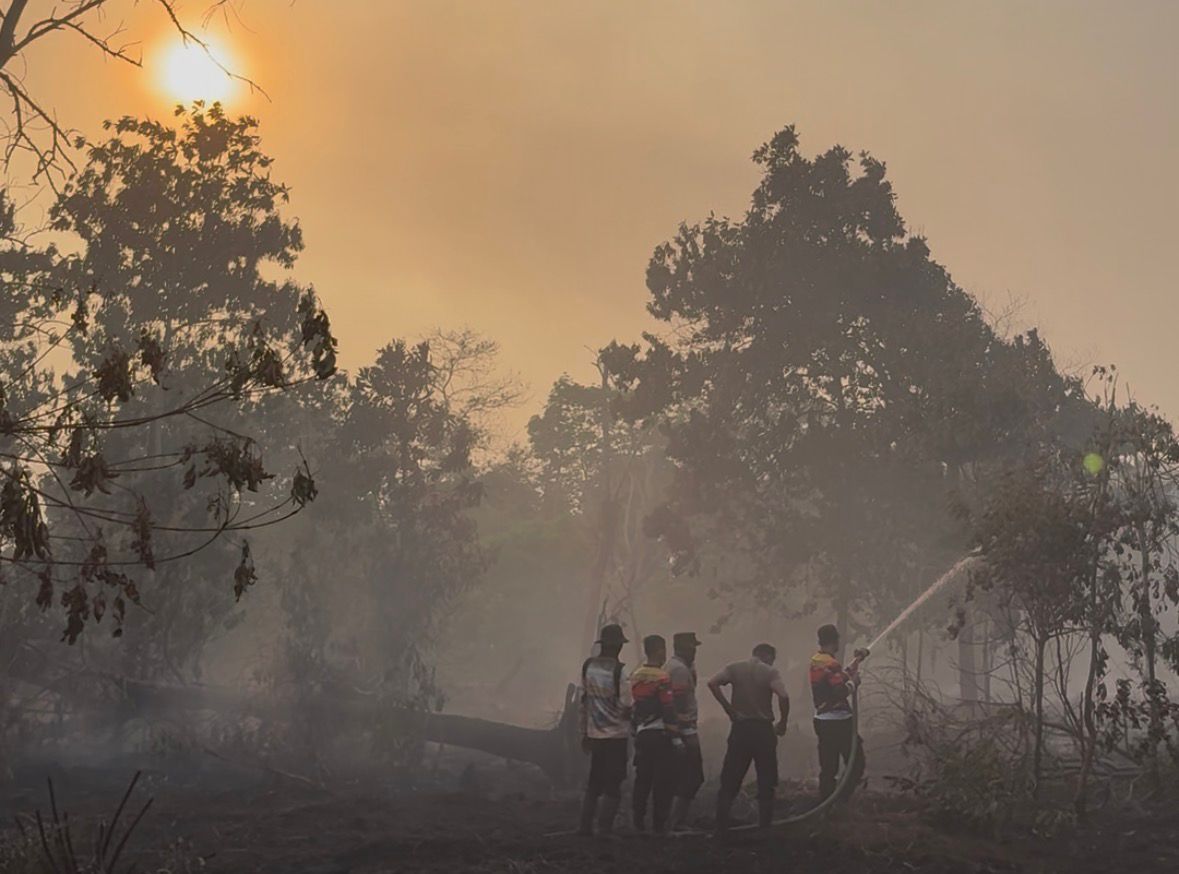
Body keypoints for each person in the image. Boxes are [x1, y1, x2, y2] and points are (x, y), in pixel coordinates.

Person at [708, 643, 790, 831]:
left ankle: (720, 827)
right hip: (763, 731)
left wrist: (729, 710)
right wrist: (783, 722)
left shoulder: (734, 668)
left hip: (740, 729)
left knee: (730, 779)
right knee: (766, 781)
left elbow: (712, 683)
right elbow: (783, 696)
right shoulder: (770, 672)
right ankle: (764, 828)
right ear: (767, 656)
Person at [577, 623, 633, 836]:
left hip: (594, 735)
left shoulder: (588, 666)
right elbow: (627, 706)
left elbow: (584, 702)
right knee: (614, 784)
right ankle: (604, 830)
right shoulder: (621, 671)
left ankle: (584, 827)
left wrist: (583, 733)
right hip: (616, 736)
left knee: (594, 782)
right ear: (619, 646)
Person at [629, 633, 682, 834]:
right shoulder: (662, 676)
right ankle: (659, 825)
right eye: (664, 650)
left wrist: (634, 728)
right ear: (659, 650)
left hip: (642, 734)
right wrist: (676, 737)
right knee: (662, 781)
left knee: (642, 779)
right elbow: (668, 707)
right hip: (660, 734)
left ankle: (638, 822)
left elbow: (635, 705)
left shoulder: (636, 675)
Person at [809, 624, 867, 803]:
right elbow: (840, 691)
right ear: (835, 641)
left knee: (828, 768)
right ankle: (840, 800)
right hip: (839, 722)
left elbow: (838, 676)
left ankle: (826, 804)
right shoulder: (831, 663)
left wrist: (857, 660)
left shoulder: (817, 660)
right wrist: (854, 684)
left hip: (823, 722)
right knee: (856, 763)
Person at [665, 631, 704, 831]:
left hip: (682, 728)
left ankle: (671, 820)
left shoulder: (681, 667)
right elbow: (677, 704)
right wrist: (677, 735)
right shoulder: (679, 670)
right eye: (691, 647)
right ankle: (676, 821)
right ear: (681, 648)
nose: (694, 651)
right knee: (693, 776)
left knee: (681, 776)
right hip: (684, 729)